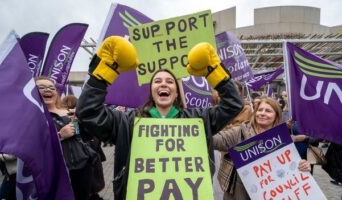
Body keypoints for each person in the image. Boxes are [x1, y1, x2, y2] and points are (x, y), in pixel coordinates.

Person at [76, 36, 244, 199]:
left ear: (176, 92)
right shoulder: (127, 122)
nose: (163, 84)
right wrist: (104, 70)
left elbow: (233, 104)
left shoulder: (199, 119)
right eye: (157, 81)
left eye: (170, 82)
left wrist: (214, 71)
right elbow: (88, 111)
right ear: (152, 91)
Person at [213, 98, 312, 200]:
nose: (262, 113)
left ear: (276, 116)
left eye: (268, 111)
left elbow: (292, 166)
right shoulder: (240, 132)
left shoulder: (282, 137)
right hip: (239, 192)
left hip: (271, 193)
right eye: (260, 110)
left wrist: (303, 166)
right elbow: (214, 141)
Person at [35, 76, 93, 200]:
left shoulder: (67, 111)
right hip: (57, 170)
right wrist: (60, 135)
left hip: (82, 165)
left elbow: (81, 135)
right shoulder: (34, 117)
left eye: (51, 87)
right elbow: (33, 145)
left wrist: (81, 123)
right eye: (41, 87)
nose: (48, 90)